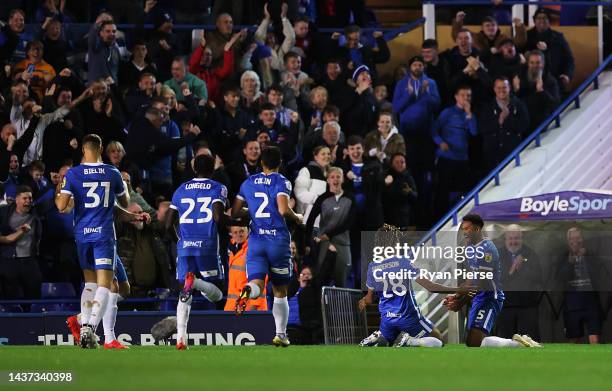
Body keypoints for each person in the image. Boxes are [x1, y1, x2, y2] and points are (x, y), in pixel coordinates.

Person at [55, 134, 144, 349]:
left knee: (107, 286)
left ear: (83, 150)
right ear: (101, 148)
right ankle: (93, 330)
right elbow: (125, 201)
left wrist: (61, 191)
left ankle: (83, 321)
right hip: (104, 236)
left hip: (83, 235)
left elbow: (61, 206)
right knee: (107, 285)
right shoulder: (112, 172)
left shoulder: (73, 174)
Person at [231, 146, 304, 347]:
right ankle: (280, 334)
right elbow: (282, 209)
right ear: (279, 163)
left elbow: (236, 212)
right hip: (277, 241)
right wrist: (296, 217)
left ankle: (247, 290)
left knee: (256, 283)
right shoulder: (282, 181)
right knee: (280, 290)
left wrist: (252, 212)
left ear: (261, 162)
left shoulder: (248, 182)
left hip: (255, 242)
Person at [359, 224, 468, 348]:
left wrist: (363, 301)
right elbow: (430, 287)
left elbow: (368, 299)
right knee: (438, 340)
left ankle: (380, 337)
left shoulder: (372, 267)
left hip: (387, 321)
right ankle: (409, 341)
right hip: (408, 318)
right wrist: (458, 289)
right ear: (395, 243)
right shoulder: (403, 262)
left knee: (389, 341)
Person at [443, 214, 541, 348]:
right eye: (463, 229)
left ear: (477, 229)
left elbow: (482, 282)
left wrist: (460, 303)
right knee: (472, 342)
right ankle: (516, 342)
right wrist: (457, 295)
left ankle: (518, 344)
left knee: (475, 341)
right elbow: (472, 278)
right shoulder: (470, 248)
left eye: (467, 229)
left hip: (490, 298)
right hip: (478, 298)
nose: (464, 232)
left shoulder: (487, 249)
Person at [165, 154, 228, 350]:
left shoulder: (180, 189)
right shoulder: (219, 188)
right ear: (213, 169)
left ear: (194, 169)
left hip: (185, 247)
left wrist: (180, 241)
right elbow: (217, 217)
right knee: (218, 295)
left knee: (185, 292)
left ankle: (181, 339)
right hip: (207, 245)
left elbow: (167, 224)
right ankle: (197, 282)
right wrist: (233, 223)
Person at [553, 227, 610, 344]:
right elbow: (559, 278)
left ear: (582, 239)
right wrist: (570, 263)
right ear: (568, 241)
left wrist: (584, 259)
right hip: (572, 304)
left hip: (591, 303)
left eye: (577, 238)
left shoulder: (591, 255)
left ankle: (595, 361)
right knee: (573, 340)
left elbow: (598, 276)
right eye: (572, 238)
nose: (575, 241)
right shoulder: (563, 257)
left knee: (594, 338)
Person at [432, 85, 477, 219]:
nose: (466, 98)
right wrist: (440, 142)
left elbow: (474, 132)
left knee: (459, 191)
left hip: (462, 159)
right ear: (456, 97)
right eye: (463, 95)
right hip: (446, 158)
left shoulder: (470, 115)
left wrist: (469, 115)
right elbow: (434, 130)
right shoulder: (448, 112)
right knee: (442, 191)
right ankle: (439, 219)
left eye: (468, 95)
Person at [305, 167, 356, 287]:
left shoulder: (350, 198)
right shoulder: (322, 198)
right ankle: (320, 305)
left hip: (342, 243)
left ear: (342, 179)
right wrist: (307, 242)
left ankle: (340, 305)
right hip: (324, 244)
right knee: (321, 279)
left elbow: (349, 222)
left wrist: (328, 235)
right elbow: (310, 220)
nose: (335, 179)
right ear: (327, 180)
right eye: (332, 177)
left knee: (342, 281)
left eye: (338, 176)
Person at [497, 226, 543, 341]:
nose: (514, 242)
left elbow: (538, 277)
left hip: (528, 306)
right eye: (511, 238)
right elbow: (496, 279)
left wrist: (523, 267)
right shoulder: (498, 254)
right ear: (506, 240)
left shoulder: (530, 253)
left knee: (530, 342)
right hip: (505, 307)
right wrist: (512, 269)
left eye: (517, 238)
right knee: (505, 342)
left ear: (521, 239)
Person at [0, 185, 43, 300]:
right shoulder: (4, 213)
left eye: (30, 198)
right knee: (10, 297)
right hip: (9, 260)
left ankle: (34, 317)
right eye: (25, 198)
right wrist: (20, 232)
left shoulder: (35, 214)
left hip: (30, 260)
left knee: (34, 295)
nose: (28, 201)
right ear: (17, 199)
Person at [478, 77, 529, 172]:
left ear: (509, 88)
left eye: (504, 87)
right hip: (492, 154)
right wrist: (499, 120)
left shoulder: (518, 104)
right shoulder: (487, 107)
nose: (501, 90)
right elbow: (482, 128)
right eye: (498, 87)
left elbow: (523, 126)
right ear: (494, 89)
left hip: (512, 152)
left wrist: (508, 118)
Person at [522, 8, 575, 93]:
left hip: (555, 80)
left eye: (545, 18)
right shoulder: (527, 36)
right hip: (530, 82)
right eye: (539, 18)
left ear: (549, 21)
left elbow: (569, 58)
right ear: (534, 20)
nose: (542, 21)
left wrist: (567, 75)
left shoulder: (558, 37)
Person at [224, 226, 268, 312]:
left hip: (249, 309)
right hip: (232, 308)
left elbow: (261, 280)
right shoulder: (233, 250)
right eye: (235, 232)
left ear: (248, 232)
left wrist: (253, 307)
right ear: (231, 234)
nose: (238, 235)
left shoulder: (254, 249)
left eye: (241, 231)